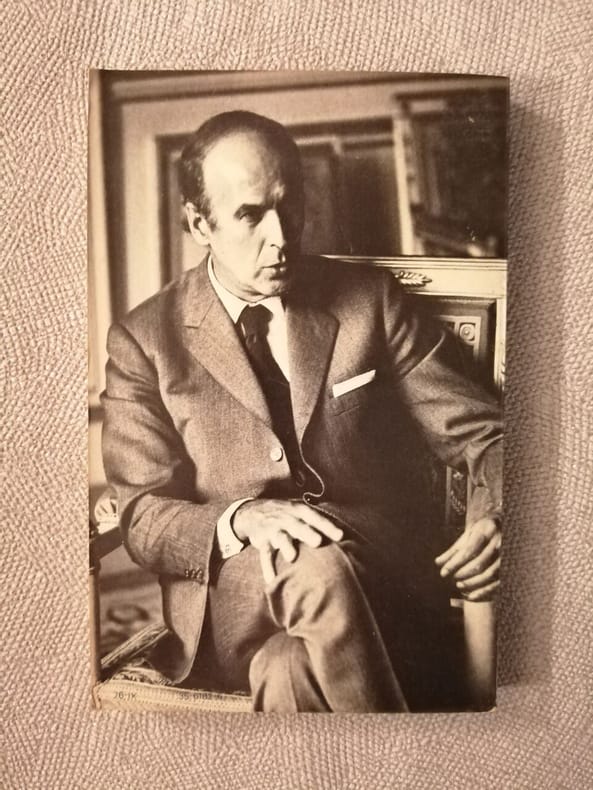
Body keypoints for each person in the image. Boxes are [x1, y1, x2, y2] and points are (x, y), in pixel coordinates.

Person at [101, 110, 502, 712]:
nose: (281, 237)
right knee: (312, 568)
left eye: (289, 207)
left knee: (286, 669)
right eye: (250, 215)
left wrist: (495, 515)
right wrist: (241, 519)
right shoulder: (145, 339)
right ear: (199, 223)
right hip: (233, 596)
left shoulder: (368, 301)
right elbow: (140, 516)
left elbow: (485, 434)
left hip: (378, 574)